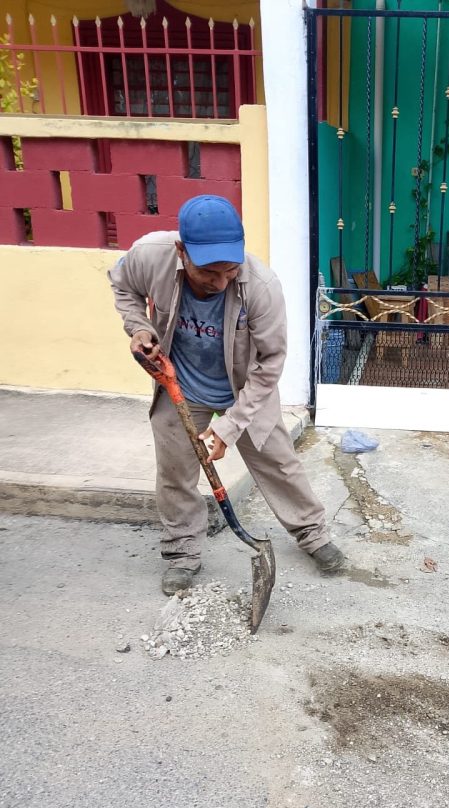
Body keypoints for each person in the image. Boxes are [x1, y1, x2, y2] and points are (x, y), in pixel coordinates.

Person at [109, 194, 344, 595]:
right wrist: (139, 327)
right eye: (208, 272)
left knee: (278, 462)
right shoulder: (150, 255)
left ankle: (312, 533)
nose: (220, 282)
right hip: (182, 385)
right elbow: (122, 285)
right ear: (181, 251)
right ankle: (182, 551)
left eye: (230, 270)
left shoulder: (262, 286)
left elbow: (270, 362)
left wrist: (231, 425)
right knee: (175, 472)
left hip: (245, 388)